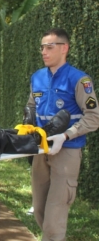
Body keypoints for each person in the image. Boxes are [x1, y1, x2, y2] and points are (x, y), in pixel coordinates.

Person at [27, 28, 99, 241]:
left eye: (49, 47)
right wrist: (27, 127)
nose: (44, 51)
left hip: (67, 152)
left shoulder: (80, 80)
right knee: (39, 209)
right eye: (42, 47)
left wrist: (66, 136)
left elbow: (94, 117)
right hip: (41, 150)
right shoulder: (37, 77)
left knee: (54, 218)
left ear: (64, 48)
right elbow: (31, 106)